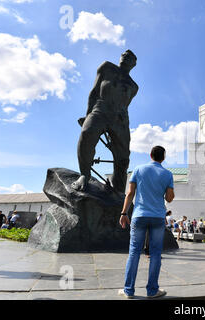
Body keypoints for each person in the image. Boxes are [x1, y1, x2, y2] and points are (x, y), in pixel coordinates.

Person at [72, 50, 139, 193]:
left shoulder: (134, 86)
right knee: (87, 133)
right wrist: (87, 115)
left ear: (134, 64)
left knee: (123, 157)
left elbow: (125, 104)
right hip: (101, 109)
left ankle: (119, 191)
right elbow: (94, 91)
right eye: (124, 54)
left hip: (120, 119)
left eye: (130, 57)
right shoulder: (107, 67)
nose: (125, 56)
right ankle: (84, 174)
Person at [118, 146, 174, 299]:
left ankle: (128, 290)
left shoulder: (138, 169)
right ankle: (152, 290)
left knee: (134, 252)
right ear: (163, 158)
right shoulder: (168, 174)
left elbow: (130, 193)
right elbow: (169, 198)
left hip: (139, 215)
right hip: (157, 217)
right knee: (155, 253)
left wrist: (124, 213)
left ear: (150, 155)